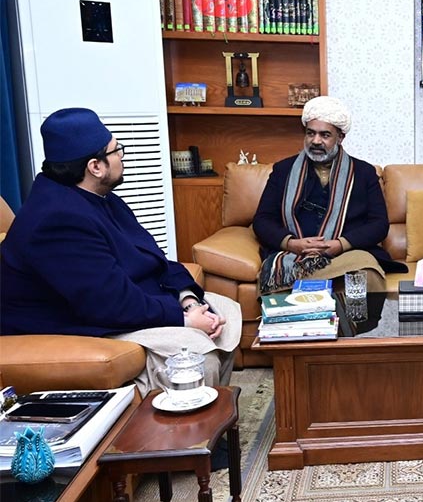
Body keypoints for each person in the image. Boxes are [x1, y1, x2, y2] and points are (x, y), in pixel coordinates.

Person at [0, 108, 242, 394]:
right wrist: (185, 319)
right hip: (77, 322)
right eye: (117, 151)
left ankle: (211, 422)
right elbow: (108, 304)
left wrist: (187, 300)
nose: (122, 158)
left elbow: (154, 258)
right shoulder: (56, 219)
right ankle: (180, 435)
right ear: (96, 166)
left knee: (224, 311)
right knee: (196, 356)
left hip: (128, 301)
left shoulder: (100, 198)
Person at [253, 96, 405, 294]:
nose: (316, 141)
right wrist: (292, 244)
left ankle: (355, 326)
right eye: (310, 133)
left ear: (340, 137)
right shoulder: (283, 170)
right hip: (293, 256)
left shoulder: (364, 173)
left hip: (347, 254)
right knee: (279, 279)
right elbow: (262, 220)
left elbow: (378, 224)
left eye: (325, 135)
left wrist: (340, 245)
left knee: (365, 276)